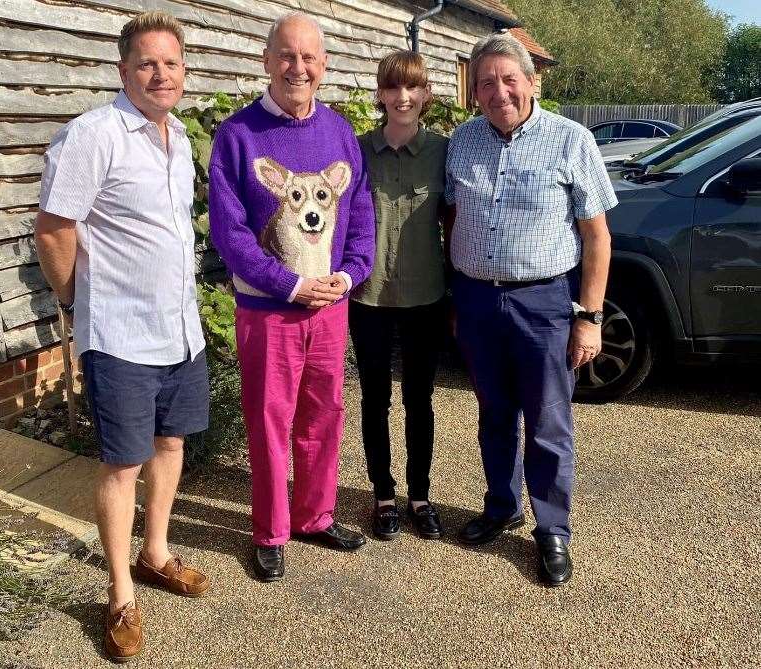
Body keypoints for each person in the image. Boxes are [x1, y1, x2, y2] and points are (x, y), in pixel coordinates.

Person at [35, 11, 210, 662]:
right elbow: (54, 227)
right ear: (123, 70)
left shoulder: (179, 137)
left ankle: (155, 552)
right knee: (122, 464)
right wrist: (76, 300)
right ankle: (118, 594)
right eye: (146, 63)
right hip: (121, 335)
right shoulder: (93, 135)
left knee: (170, 443)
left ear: (183, 71)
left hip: (181, 330)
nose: (160, 74)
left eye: (171, 63)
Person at [207, 12, 375, 582]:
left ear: (323, 65)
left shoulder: (340, 133)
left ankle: (314, 515)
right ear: (267, 61)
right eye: (286, 55)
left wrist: (351, 274)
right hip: (268, 310)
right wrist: (292, 284)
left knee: (324, 415)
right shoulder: (238, 136)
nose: (297, 67)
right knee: (269, 419)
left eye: (308, 57)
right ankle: (271, 530)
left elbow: (360, 213)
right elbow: (230, 235)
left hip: (330, 306)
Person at [445, 32, 617, 586]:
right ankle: (502, 505)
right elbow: (450, 220)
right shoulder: (461, 142)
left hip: (543, 301)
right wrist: (456, 293)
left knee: (547, 421)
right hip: (475, 297)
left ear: (533, 82)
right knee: (493, 413)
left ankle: (552, 528)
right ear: (474, 92)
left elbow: (597, 237)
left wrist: (588, 317)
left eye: (509, 79)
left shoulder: (573, 141)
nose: (499, 92)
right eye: (487, 82)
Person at [350, 51, 449, 541]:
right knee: (374, 398)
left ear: (426, 93)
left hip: (426, 296)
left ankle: (421, 494)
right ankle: (384, 494)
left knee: (420, 399)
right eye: (392, 88)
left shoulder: (443, 152)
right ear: (380, 94)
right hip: (368, 295)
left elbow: (456, 220)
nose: (402, 97)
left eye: (412, 88)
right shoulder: (356, 150)